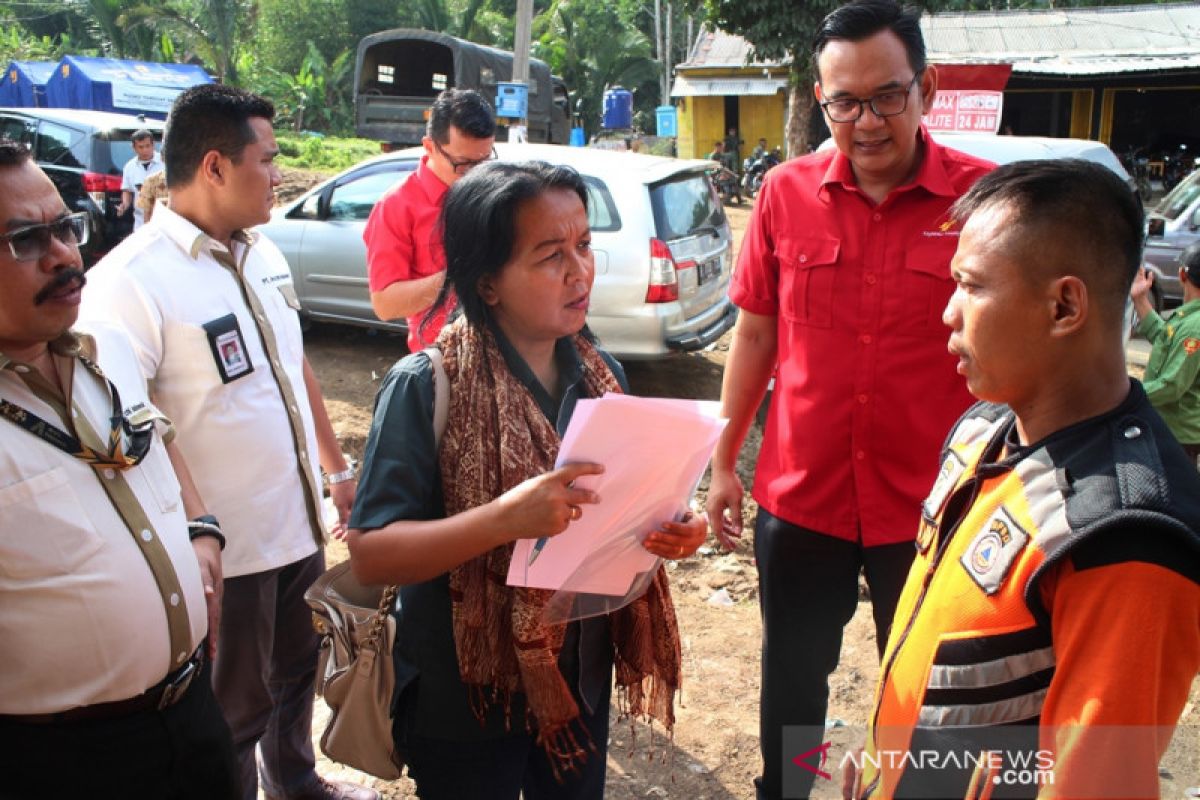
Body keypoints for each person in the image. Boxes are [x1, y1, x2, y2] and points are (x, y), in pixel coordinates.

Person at [702, 1, 994, 797]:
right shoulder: (783, 194)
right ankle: (791, 790)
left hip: (936, 507)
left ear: (926, 87)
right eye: (844, 102)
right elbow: (755, 339)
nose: (865, 122)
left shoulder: (984, 202)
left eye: (886, 96)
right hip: (805, 497)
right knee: (794, 687)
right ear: (822, 98)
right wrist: (723, 462)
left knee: (938, 690)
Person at [346, 160, 707, 799]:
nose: (580, 271)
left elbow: (621, 516)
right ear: (487, 283)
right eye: (549, 256)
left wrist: (673, 527)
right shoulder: (427, 387)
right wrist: (505, 520)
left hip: (577, 684)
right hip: (465, 697)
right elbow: (372, 553)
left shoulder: (603, 378)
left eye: (585, 245)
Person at [847, 158, 1200, 799]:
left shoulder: (1126, 539)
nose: (948, 314)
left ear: (1064, 305)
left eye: (972, 287)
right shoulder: (987, 428)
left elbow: (1094, 783)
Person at [77, 85, 376, 800]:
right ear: (214, 166)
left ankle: (298, 784)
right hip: (227, 551)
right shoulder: (131, 282)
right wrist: (197, 527)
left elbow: (293, 361)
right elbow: (129, 422)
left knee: (298, 671)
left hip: (296, 524)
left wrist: (336, 470)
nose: (280, 175)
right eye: (267, 160)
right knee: (235, 705)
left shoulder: (261, 251)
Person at [0, 137, 239, 798]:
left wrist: (201, 527)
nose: (63, 256)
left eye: (64, 228)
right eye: (25, 240)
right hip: (62, 760)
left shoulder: (103, 349)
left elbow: (152, 440)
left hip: (193, 714)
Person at [363, 88, 496, 352]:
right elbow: (385, 304)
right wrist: (456, 279)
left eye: (485, 161)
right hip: (443, 362)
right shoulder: (396, 206)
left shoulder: (493, 190)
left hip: (502, 354)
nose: (476, 174)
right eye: (463, 164)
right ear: (429, 147)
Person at [1130, 242, 1200, 464]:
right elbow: (1165, 339)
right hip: (1174, 431)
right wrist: (1140, 299)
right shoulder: (1188, 318)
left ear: (1182, 274)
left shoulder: (1195, 327)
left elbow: (1171, 386)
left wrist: (1128, 391)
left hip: (1179, 434)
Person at [117, 128, 164, 230]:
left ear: (153, 144)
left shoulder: (164, 162)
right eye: (141, 147)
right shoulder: (129, 167)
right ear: (134, 148)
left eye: (148, 146)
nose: (145, 150)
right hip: (140, 221)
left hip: (163, 218)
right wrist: (124, 204)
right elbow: (127, 190)